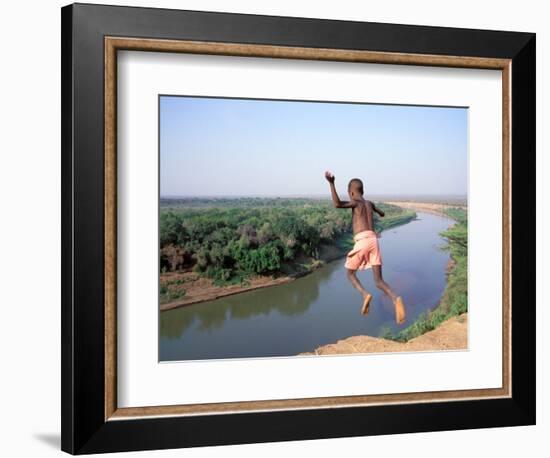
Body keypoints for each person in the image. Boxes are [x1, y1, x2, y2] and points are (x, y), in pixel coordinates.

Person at [324, 171, 406, 324]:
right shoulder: (369, 204)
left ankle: (364, 295)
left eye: (349, 193)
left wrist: (331, 183)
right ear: (364, 191)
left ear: (352, 192)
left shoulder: (355, 202)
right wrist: (378, 212)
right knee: (379, 281)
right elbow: (381, 213)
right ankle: (395, 299)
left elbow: (337, 204)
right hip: (374, 240)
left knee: (349, 274)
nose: (350, 196)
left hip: (362, 240)